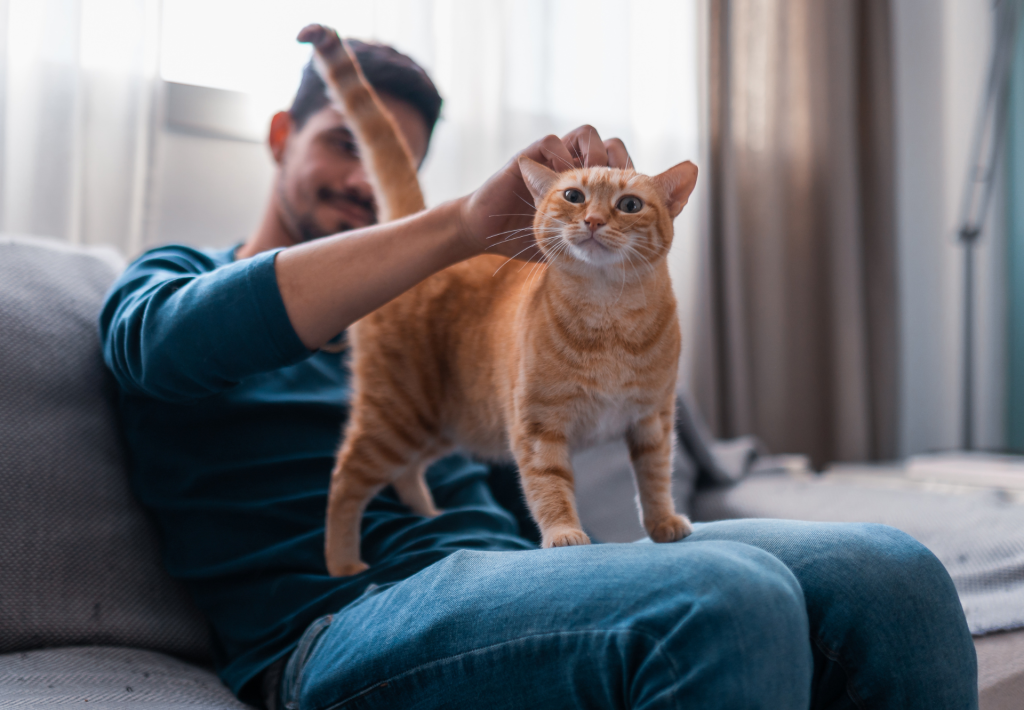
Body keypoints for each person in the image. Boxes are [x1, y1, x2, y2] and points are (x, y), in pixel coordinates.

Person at [100, 40, 977, 710]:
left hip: (508, 576)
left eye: (394, 164)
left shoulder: (440, 306)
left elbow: (533, 424)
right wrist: (450, 230)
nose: (367, 181)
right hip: (333, 631)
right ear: (283, 136)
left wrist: (599, 245)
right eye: (344, 145)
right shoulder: (173, 277)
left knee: (889, 572)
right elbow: (165, 350)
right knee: (722, 598)